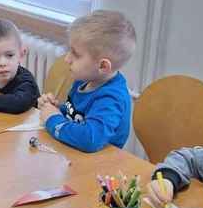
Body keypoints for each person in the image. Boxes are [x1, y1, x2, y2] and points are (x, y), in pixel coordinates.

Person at [38, 10, 135, 152]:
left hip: (101, 165)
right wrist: (56, 108)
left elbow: (90, 139)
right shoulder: (85, 80)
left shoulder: (111, 98)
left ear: (102, 66)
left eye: (75, 54)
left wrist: (53, 119)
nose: (67, 59)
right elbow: (77, 116)